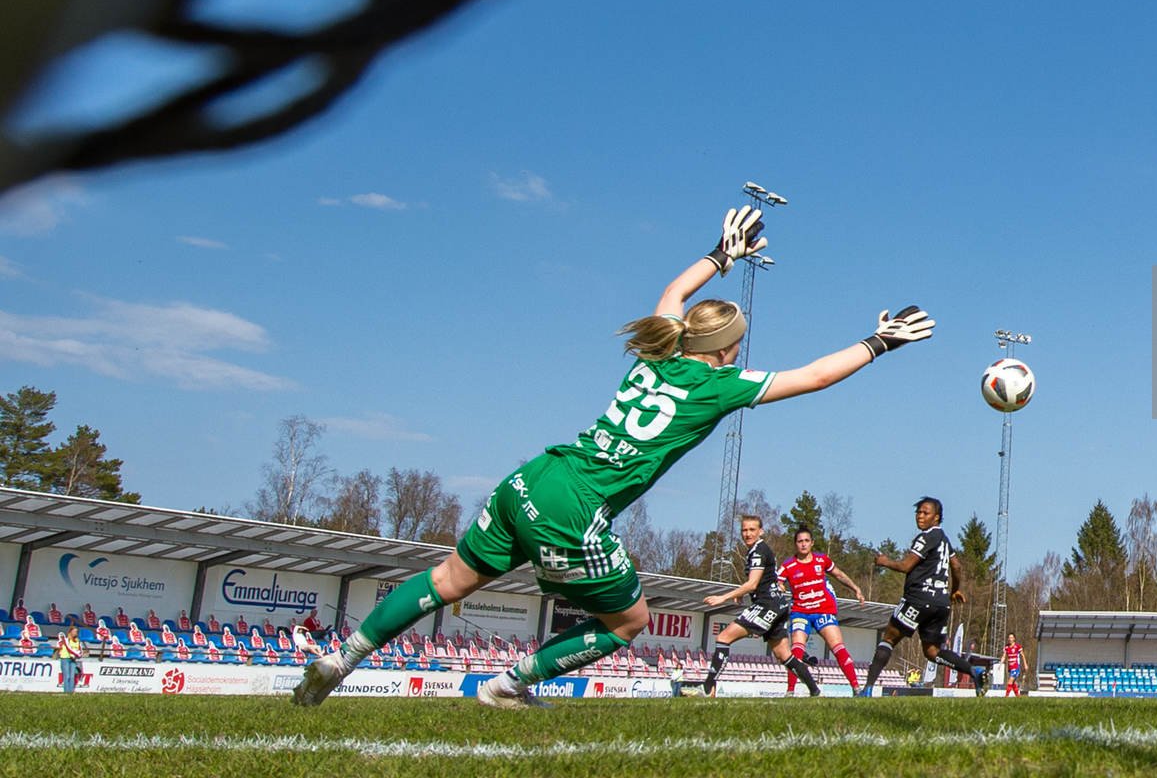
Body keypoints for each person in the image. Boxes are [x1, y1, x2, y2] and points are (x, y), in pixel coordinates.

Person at [292, 204, 936, 709]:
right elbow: (816, 375)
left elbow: (672, 293)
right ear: (726, 349)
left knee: (446, 581)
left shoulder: (657, 347)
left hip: (534, 475)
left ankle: (341, 656)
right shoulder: (715, 386)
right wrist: (881, 340)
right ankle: (507, 686)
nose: (741, 352)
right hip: (575, 508)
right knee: (628, 621)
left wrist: (721, 253)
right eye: (737, 343)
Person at [859, 497, 996, 697]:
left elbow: (906, 565)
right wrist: (955, 590)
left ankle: (867, 689)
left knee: (888, 638)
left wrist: (884, 561)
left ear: (937, 517)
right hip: (940, 604)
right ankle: (973, 671)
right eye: (918, 512)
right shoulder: (945, 541)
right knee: (932, 651)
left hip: (918, 598)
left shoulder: (926, 537)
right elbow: (956, 566)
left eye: (925, 513)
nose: (920, 516)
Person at [699, 514, 819, 697]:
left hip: (767, 605)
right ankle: (815, 691)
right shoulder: (756, 550)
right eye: (744, 530)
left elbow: (753, 583)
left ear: (760, 531)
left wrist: (723, 597)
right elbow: (763, 581)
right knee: (784, 655)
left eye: (752, 530)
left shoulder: (758, 551)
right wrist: (744, 593)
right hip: (777, 605)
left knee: (723, 637)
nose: (747, 534)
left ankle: (708, 687)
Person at [778, 527, 866, 693]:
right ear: (795, 544)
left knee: (838, 647)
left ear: (812, 543)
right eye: (799, 541)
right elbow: (777, 581)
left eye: (806, 541)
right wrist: (780, 585)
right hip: (800, 612)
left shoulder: (821, 560)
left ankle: (856, 687)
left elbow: (839, 574)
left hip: (823, 610)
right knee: (796, 648)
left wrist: (856, 588)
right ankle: (790, 690)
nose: (803, 544)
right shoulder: (788, 565)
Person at [55, 623, 84, 693]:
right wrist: (76, 654)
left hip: (73, 660)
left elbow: (80, 649)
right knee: (66, 676)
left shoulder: (78, 641)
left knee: (72, 676)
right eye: (74, 631)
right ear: (70, 632)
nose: (75, 633)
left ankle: (71, 692)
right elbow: (69, 649)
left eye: (76, 632)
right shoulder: (66, 640)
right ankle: (66, 691)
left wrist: (79, 655)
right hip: (65, 659)